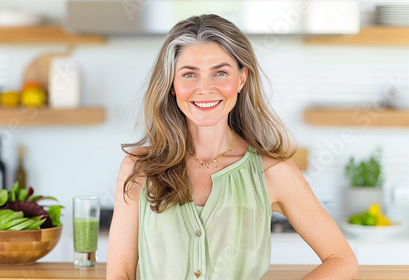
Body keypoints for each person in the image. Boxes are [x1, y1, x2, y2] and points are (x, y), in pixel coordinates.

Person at [107, 14, 358, 280]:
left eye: (220, 73)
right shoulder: (139, 168)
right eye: (189, 74)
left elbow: (342, 260)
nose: (205, 89)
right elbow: (120, 273)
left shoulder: (272, 171)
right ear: (172, 84)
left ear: (241, 79)